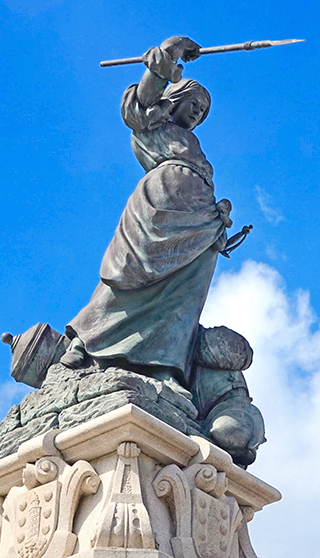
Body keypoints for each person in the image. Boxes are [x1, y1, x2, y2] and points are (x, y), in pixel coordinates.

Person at [61, 37, 231, 389]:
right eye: (194, 102)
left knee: (185, 290)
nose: (199, 111)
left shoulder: (194, 144)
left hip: (199, 220)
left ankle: (164, 363)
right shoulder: (152, 122)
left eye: (204, 109)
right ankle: (84, 341)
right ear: (176, 97)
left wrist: (218, 220)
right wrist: (172, 50)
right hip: (158, 208)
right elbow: (140, 101)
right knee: (130, 275)